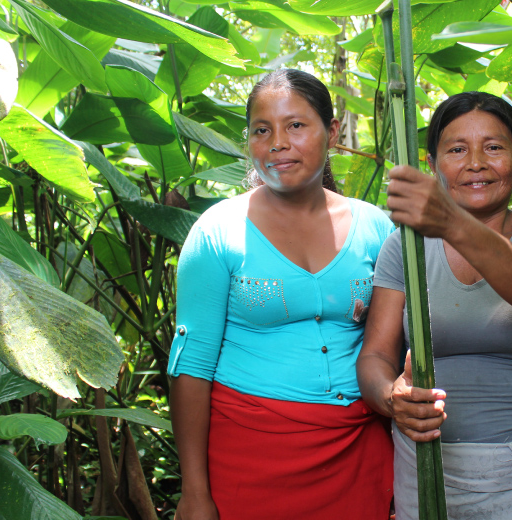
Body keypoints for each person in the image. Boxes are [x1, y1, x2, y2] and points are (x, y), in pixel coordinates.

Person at [168, 69, 395, 520]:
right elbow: (190, 367)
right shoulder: (217, 232)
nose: (277, 143)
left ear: (331, 132)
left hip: (357, 449)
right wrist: (195, 492)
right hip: (250, 452)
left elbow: (392, 346)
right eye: (261, 130)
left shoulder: (376, 227)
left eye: (295, 125)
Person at [357, 91, 512, 519]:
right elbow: (375, 355)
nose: (475, 163)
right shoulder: (404, 247)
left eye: (494, 148)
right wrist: (392, 398)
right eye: (457, 150)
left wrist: (450, 222)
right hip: (426, 467)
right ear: (432, 164)